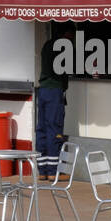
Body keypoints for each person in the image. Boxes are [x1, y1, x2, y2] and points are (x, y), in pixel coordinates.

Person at [35, 33, 68, 176]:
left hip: (42, 90)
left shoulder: (47, 45)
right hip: (55, 90)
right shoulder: (63, 47)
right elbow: (65, 69)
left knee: (42, 128)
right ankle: (54, 170)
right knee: (54, 129)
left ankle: (42, 169)